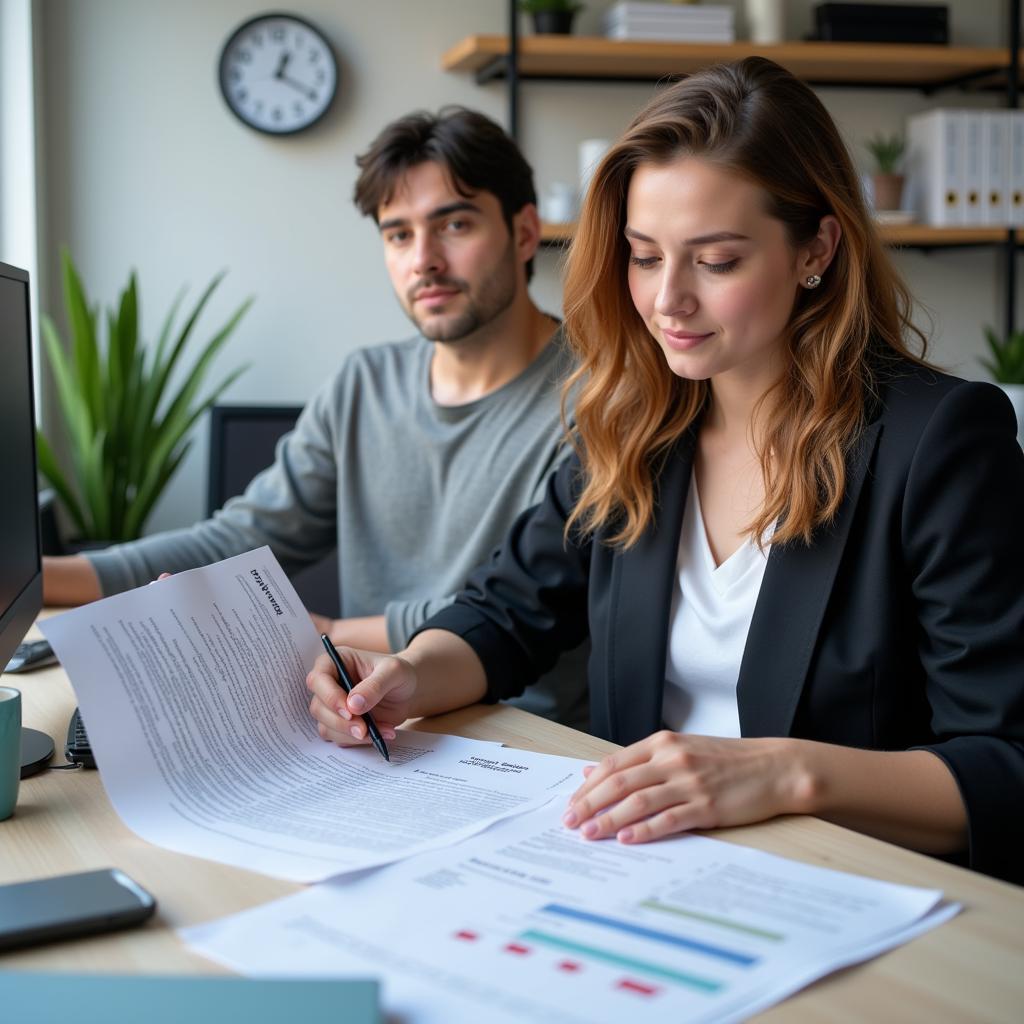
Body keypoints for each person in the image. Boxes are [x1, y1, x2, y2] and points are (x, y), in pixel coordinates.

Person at [306, 58, 1024, 885]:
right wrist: (404, 676)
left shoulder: (937, 440)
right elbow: (506, 614)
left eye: (715, 261)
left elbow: (1006, 764)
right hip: (636, 874)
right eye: (645, 258)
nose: (667, 301)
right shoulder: (636, 422)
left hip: (842, 893)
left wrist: (782, 774)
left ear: (816, 249)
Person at [42, 106, 590, 730]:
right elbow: (232, 541)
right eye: (398, 234)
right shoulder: (364, 385)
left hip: (525, 736)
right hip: (365, 722)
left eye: (455, 224)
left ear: (523, 233)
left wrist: (329, 631)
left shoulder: (596, 397)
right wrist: (37, 581)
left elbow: (517, 603)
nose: (424, 260)